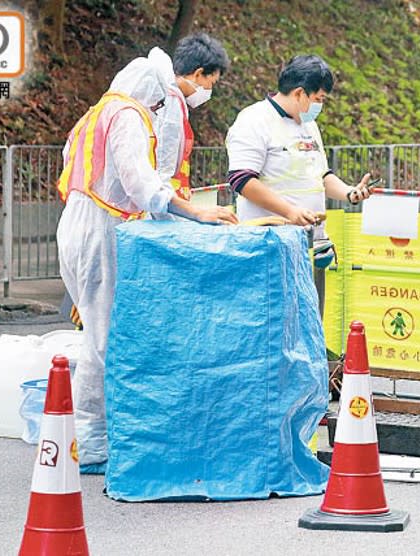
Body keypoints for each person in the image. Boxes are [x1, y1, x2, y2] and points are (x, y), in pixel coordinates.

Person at [56, 54, 237, 472]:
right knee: (102, 338)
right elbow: (141, 180)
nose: (160, 110)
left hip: (79, 222)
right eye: (159, 104)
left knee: (100, 330)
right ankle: (92, 441)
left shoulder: (97, 112)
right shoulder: (129, 116)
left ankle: (96, 435)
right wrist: (194, 213)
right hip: (101, 229)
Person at [225, 54, 371, 313]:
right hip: (271, 242)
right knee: (272, 315)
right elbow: (242, 180)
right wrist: (290, 212)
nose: (320, 106)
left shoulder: (309, 125)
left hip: (312, 241)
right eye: (319, 99)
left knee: (309, 315)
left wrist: (350, 192)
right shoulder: (254, 120)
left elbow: (322, 175)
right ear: (300, 93)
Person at [148, 33, 229, 203]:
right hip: (162, 202)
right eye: (211, 83)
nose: (209, 90)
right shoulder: (170, 102)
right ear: (198, 74)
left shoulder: (171, 99)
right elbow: (163, 164)